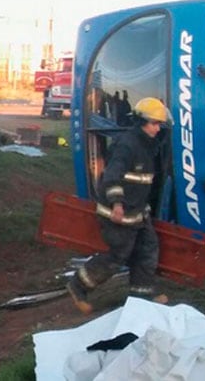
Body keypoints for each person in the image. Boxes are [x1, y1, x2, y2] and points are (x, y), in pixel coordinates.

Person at [66, 97, 171, 314]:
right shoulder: (127, 145)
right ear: (142, 122)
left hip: (138, 213)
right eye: (154, 123)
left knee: (146, 251)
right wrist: (117, 204)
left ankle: (141, 297)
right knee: (118, 256)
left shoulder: (147, 145)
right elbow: (112, 177)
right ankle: (78, 286)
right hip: (118, 213)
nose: (158, 128)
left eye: (160, 124)